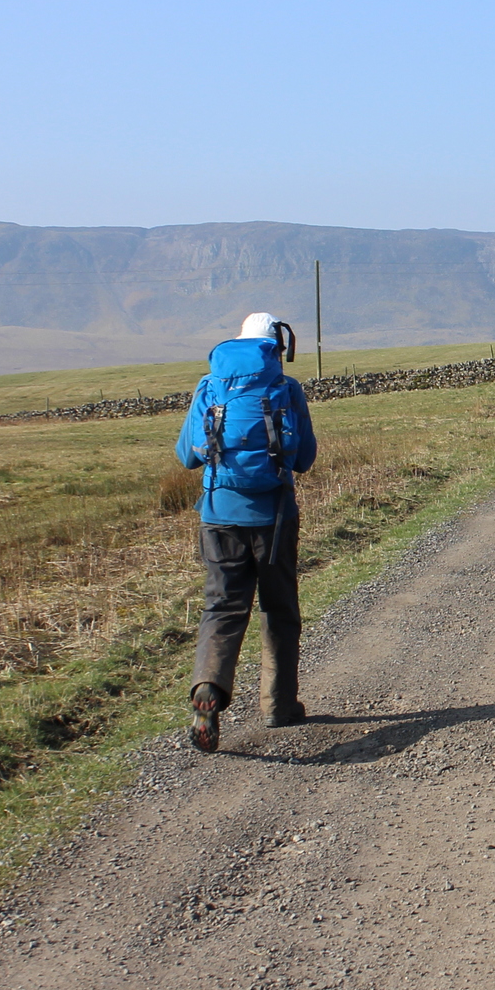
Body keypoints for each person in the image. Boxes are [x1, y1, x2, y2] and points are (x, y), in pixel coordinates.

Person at [176, 311, 318, 752]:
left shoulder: (209, 386)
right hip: (273, 516)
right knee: (279, 610)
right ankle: (278, 705)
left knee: (221, 608)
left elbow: (187, 456)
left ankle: (209, 692)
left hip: (218, 515)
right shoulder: (286, 389)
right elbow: (304, 458)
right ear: (277, 347)